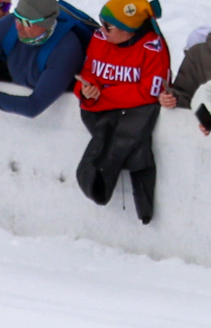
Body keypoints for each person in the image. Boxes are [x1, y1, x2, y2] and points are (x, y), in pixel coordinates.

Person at [74, 0, 171, 223]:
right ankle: (105, 186)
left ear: (129, 30)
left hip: (132, 112)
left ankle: (99, 181)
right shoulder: (100, 39)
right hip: (100, 110)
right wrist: (88, 90)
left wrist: (102, 97)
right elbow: (88, 73)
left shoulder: (152, 48)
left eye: (108, 26)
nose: (101, 29)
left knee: (131, 130)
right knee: (126, 140)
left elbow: (149, 92)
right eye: (101, 22)